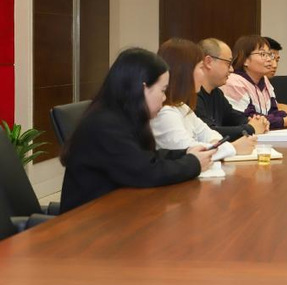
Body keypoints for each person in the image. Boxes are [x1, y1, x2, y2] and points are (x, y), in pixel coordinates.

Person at [60, 48, 215, 213]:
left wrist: (185, 153)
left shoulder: (124, 116)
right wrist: (193, 163)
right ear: (143, 88)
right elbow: (146, 172)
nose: (164, 98)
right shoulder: (105, 125)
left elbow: (146, 157)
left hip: (115, 211)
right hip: (87, 220)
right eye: (163, 90)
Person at [151, 38, 256, 156]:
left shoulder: (182, 107)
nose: (203, 74)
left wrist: (218, 145)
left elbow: (209, 134)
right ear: (184, 72)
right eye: (201, 68)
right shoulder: (165, 113)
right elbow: (191, 152)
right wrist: (233, 148)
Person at [221, 35, 287, 129]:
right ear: (245, 60)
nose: (269, 59)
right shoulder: (234, 82)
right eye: (263, 54)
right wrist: (284, 121)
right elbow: (249, 118)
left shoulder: (264, 80)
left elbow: (273, 111)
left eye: (269, 54)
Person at [195, 37, 269, 141]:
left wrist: (257, 122)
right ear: (208, 62)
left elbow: (233, 117)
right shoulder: (192, 95)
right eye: (228, 63)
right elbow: (208, 132)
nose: (232, 69)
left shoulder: (216, 93)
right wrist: (251, 128)